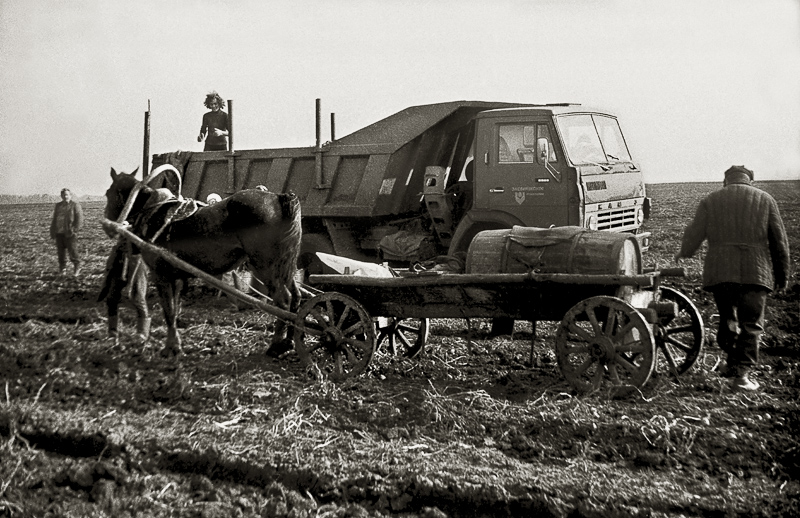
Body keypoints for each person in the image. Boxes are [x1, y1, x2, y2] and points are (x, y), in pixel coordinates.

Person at [674, 165, 791, 391]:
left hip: (721, 270)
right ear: (751, 181)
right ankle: (742, 376)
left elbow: (695, 232)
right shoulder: (766, 200)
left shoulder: (711, 199)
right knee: (751, 324)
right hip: (755, 271)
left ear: (725, 181)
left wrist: (684, 252)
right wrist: (782, 275)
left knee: (728, 318)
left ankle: (731, 363)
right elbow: (779, 242)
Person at [50, 188, 84, 276]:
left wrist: (74, 230)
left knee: (73, 251)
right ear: (61, 196)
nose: (65, 196)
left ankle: (77, 268)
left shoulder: (75, 205)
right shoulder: (58, 205)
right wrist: (52, 230)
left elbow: (79, 220)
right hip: (59, 233)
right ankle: (62, 269)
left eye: (67, 195)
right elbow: (55, 218)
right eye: (63, 195)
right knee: (61, 253)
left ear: (70, 195)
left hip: (70, 233)